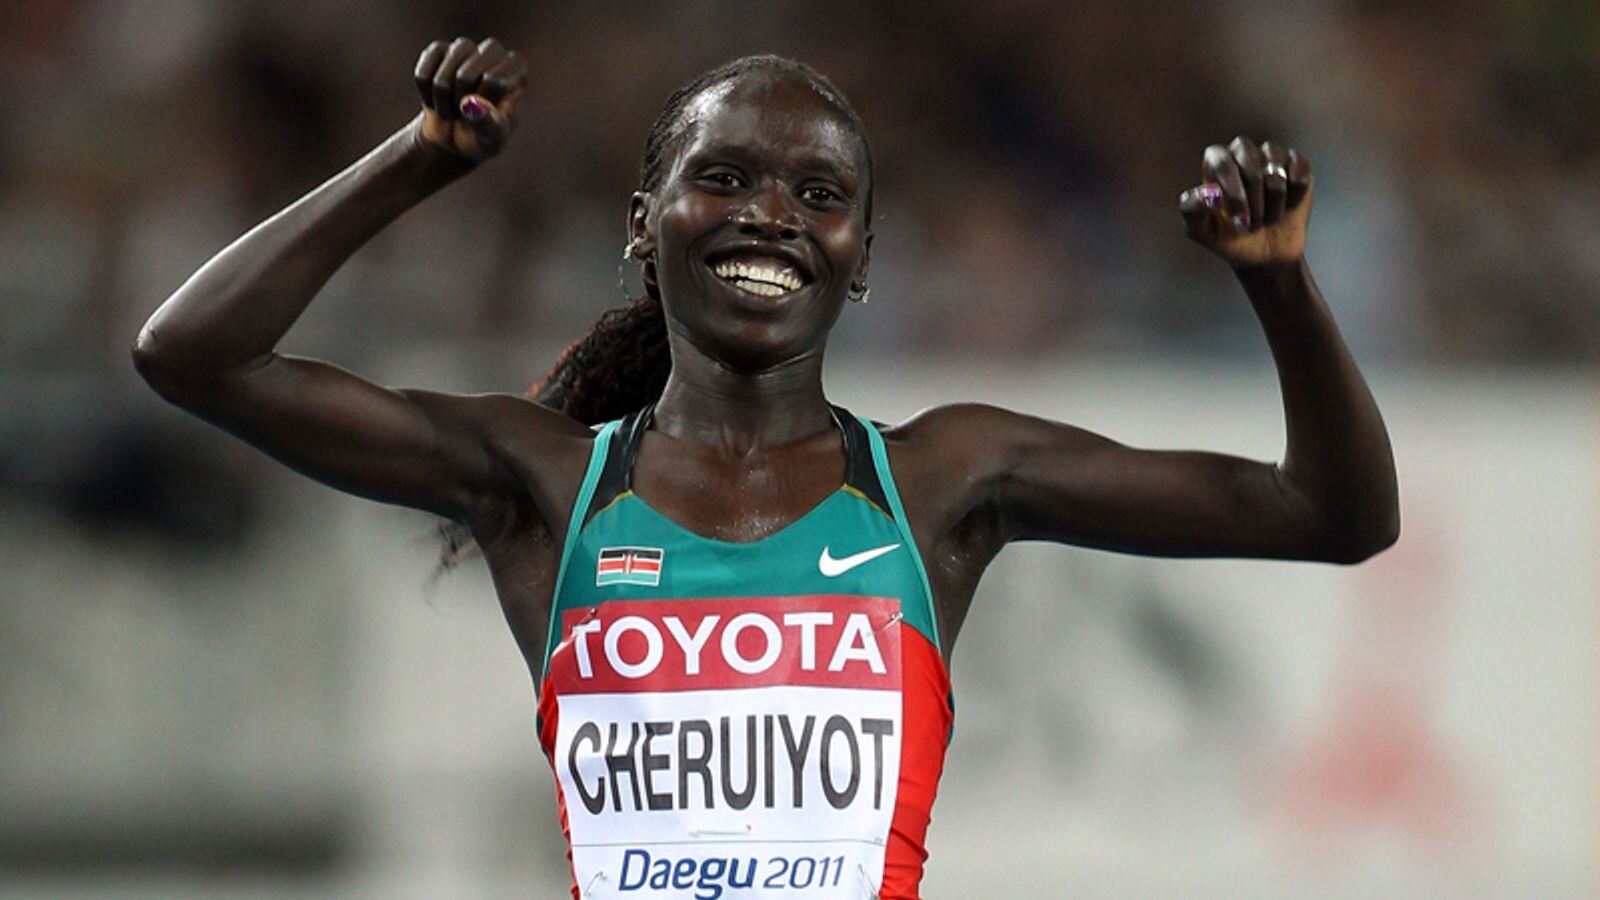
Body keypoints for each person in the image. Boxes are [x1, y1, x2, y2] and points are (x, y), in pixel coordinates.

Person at [132, 36, 1399, 900]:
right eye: (724, 178)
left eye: (819, 193)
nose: (771, 214)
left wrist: (1280, 283)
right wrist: (418, 159)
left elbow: (1333, 515)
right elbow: (192, 354)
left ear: (864, 255)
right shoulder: (543, 482)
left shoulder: (945, 480)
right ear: (645, 225)